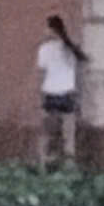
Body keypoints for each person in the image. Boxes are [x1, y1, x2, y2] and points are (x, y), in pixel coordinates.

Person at [35, 14, 87, 168]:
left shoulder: (44, 49)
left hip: (50, 93)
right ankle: (69, 164)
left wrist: (39, 94)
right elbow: (77, 69)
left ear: (51, 30)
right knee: (68, 133)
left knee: (47, 132)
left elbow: (42, 73)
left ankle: (43, 162)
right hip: (67, 93)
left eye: (46, 28)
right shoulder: (71, 48)